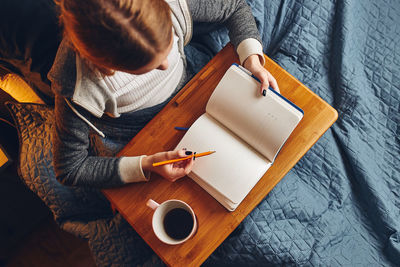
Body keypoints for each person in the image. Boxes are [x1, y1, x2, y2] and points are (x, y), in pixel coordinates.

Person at [49, 0, 279, 188]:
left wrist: (252, 60)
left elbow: (235, 6)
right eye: (148, 67)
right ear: (106, 68)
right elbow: (70, 168)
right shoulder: (76, 85)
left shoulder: (175, 4)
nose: (166, 66)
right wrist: (147, 165)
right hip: (140, 128)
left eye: (168, 47)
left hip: (192, 86)